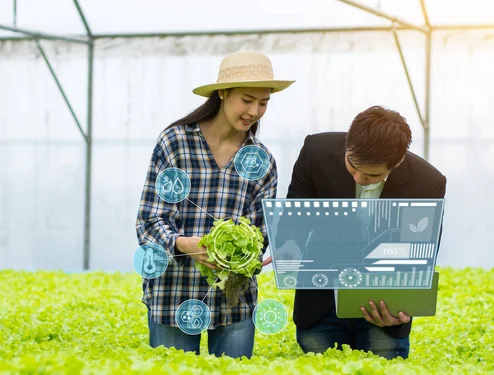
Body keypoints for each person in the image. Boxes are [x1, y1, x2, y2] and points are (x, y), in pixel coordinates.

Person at [135, 51, 294, 358]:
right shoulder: (176, 142)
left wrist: (250, 258)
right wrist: (184, 244)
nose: (255, 111)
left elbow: (259, 233)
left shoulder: (261, 160)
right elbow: (149, 220)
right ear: (222, 93)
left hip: (233, 302)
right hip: (174, 295)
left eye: (263, 103)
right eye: (247, 100)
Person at [264, 105, 446, 360]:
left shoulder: (427, 182)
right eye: (352, 166)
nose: (359, 178)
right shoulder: (316, 152)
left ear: (397, 162)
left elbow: (418, 258)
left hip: (384, 311)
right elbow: (294, 222)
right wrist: (288, 247)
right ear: (348, 144)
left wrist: (402, 310)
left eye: (372, 175)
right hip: (320, 305)